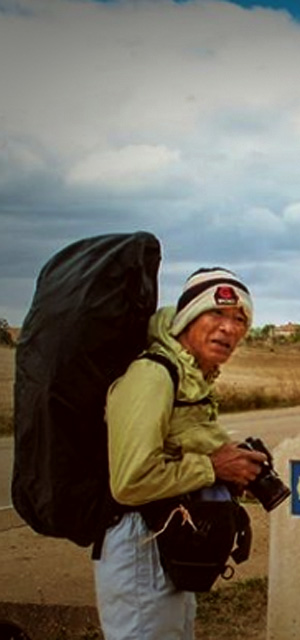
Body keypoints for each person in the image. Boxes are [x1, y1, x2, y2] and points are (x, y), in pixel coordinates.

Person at [94, 267, 268, 639]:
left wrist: (232, 471)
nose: (229, 328)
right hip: (139, 540)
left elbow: (181, 452)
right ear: (188, 317)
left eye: (240, 319)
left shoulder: (192, 378)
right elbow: (129, 482)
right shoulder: (153, 375)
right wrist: (213, 468)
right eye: (216, 313)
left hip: (172, 534)